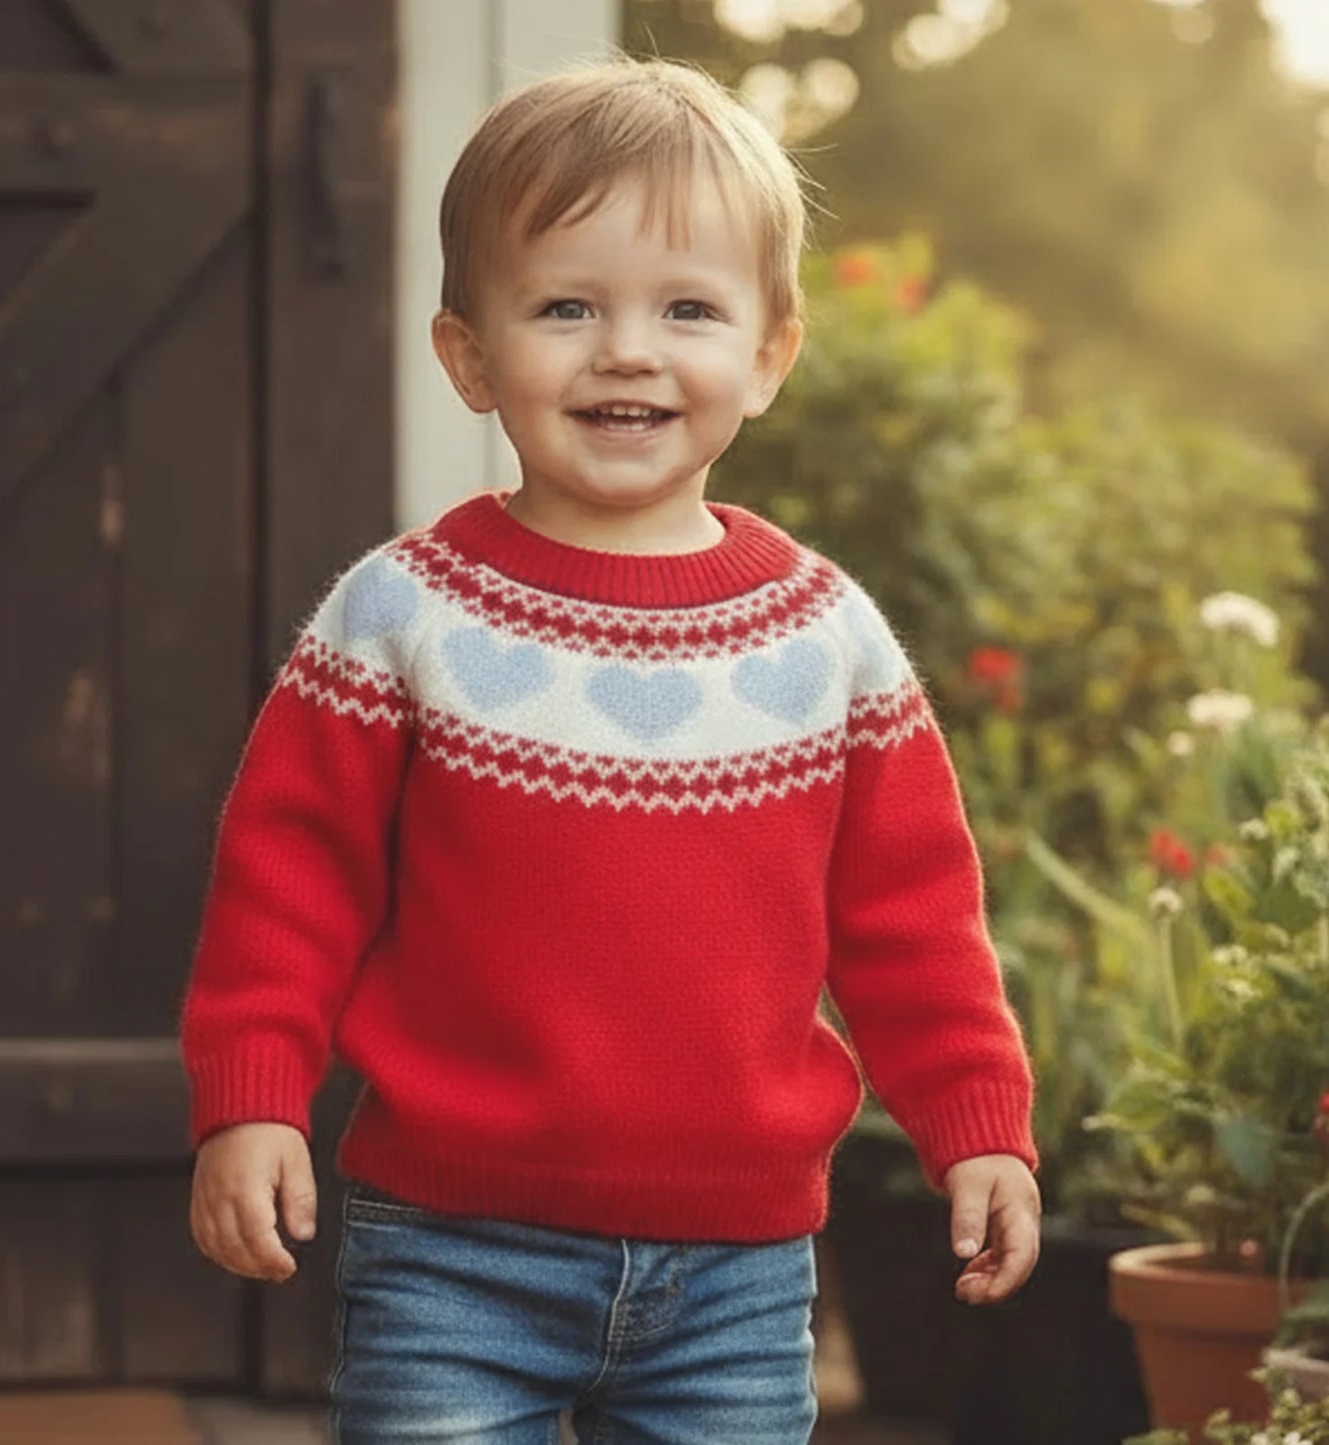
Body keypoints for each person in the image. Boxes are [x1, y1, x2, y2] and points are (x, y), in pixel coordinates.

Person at [180, 55, 1040, 1444]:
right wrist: (251, 1096)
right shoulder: (402, 613)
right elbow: (288, 878)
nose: (626, 349)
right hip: (451, 1252)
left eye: (687, 309)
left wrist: (977, 1122)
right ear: (468, 354)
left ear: (766, 355)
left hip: (739, 1275)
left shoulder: (823, 642)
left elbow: (913, 924)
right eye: (566, 305)